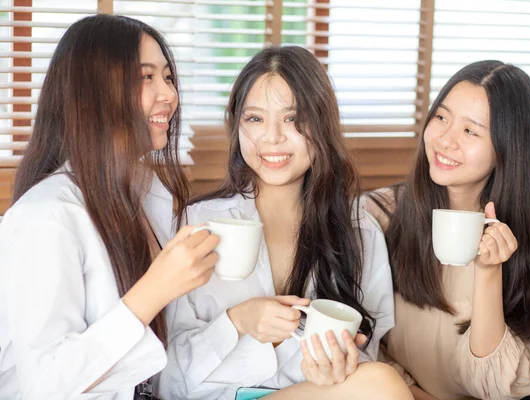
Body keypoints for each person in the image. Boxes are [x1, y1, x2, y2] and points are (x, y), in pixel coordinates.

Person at [158, 46, 413, 400]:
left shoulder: (360, 234)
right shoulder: (197, 226)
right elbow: (165, 379)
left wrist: (335, 369)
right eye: (255, 119)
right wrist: (238, 322)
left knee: (378, 381)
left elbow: (365, 356)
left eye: (293, 119)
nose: (273, 137)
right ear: (236, 125)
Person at [0, 14, 219, 399]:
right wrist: (153, 290)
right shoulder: (47, 216)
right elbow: (47, 385)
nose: (169, 94)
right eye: (145, 77)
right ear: (95, 93)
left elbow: (170, 355)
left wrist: (239, 323)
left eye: (167, 77)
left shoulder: (150, 194)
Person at [365, 60, 530, 400]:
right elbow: (360, 341)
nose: (445, 140)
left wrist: (489, 273)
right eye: (442, 117)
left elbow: (496, 390)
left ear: (507, 148)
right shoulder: (381, 214)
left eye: (471, 131)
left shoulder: (528, 242)